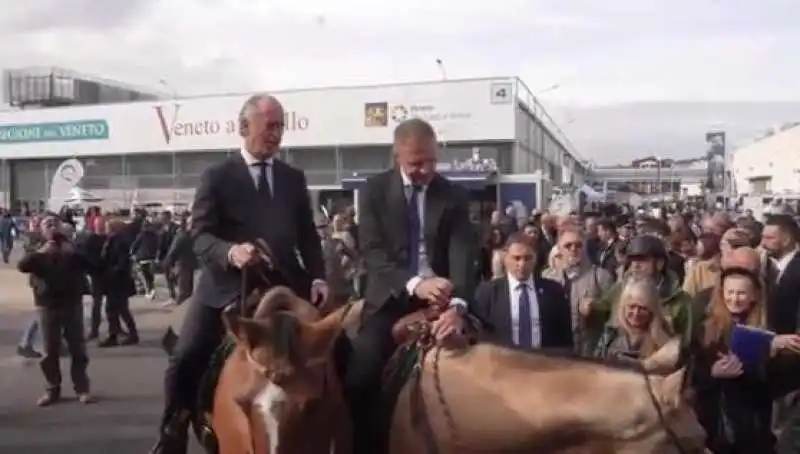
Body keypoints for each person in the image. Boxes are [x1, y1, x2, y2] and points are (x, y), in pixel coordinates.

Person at [150, 94, 327, 454]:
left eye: (281, 127)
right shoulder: (216, 176)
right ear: (244, 127)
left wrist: (318, 278)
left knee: (340, 351)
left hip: (286, 286)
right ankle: (173, 432)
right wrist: (230, 252)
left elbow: (308, 235)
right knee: (184, 358)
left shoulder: (293, 178)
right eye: (270, 126)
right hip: (225, 287)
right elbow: (199, 235)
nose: (276, 134)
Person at [345, 118, 474, 454]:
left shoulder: (454, 196)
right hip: (389, 301)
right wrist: (416, 284)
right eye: (416, 162)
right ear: (397, 155)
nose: (425, 169)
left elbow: (463, 256)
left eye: (431, 160)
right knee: (358, 378)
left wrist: (457, 307)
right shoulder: (372, 192)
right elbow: (372, 253)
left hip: (444, 303)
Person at [17, 213, 93, 406]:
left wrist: (72, 252)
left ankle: (82, 388)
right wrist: (43, 251)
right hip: (47, 305)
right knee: (49, 351)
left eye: (54, 223)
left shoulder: (71, 247)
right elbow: (22, 266)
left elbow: (91, 266)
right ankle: (52, 389)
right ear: (41, 229)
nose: (51, 227)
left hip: (71, 303)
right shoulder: (35, 247)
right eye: (47, 224)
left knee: (77, 348)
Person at [473, 232, 573, 350]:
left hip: (544, 363)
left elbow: (565, 337)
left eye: (527, 258)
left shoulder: (553, 291)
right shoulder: (488, 292)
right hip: (503, 363)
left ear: (535, 259)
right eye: (516, 258)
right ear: (505, 258)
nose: (522, 264)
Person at [594, 276, 672, 362]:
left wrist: (658, 335)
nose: (636, 313)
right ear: (624, 307)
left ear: (652, 310)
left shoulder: (664, 339)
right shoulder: (609, 336)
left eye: (643, 308)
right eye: (632, 306)